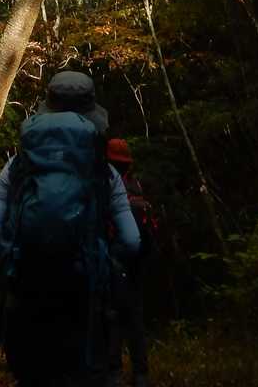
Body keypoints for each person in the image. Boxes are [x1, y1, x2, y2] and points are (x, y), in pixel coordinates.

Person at [0, 71, 141, 387]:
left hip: (27, 294)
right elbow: (132, 241)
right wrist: (106, 261)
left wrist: (14, 258)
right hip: (84, 297)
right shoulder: (104, 171)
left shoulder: (16, 167)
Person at [104, 139, 155, 387]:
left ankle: (113, 372)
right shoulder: (136, 185)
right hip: (139, 261)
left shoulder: (108, 185)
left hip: (115, 258)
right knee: (134, 316)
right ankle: (141, 373)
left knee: (113, 315)